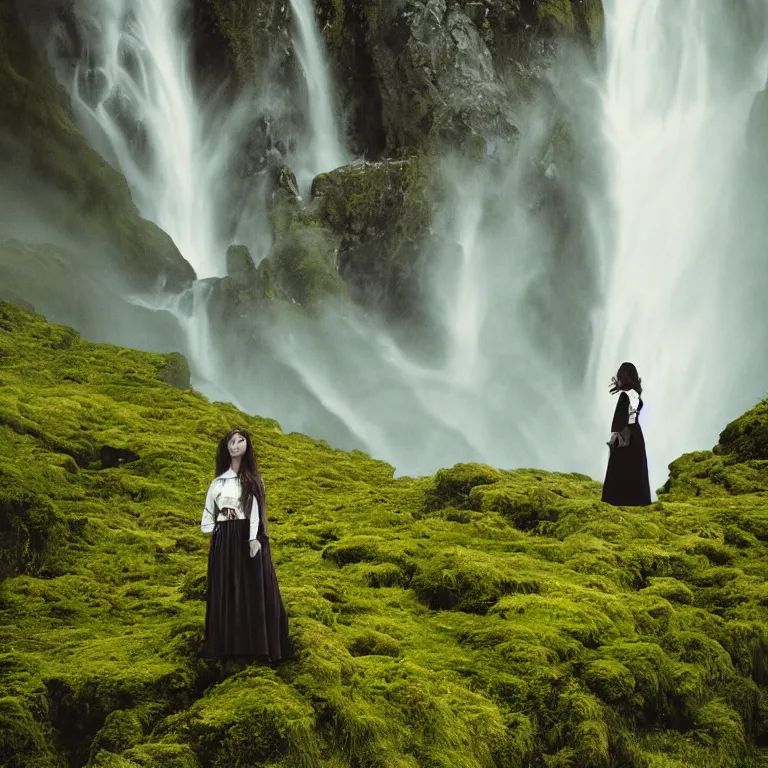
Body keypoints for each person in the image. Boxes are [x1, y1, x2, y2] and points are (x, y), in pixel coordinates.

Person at [200, 428, 290, 662]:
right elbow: (207, 515)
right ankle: (227, 645)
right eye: (232, 441)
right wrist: (218, 530)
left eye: (241, 441)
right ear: (226, 447)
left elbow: (256, 514)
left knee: (249, 588)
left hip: (246, 537)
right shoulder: (218, 482)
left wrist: (252, 539)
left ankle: (255, 646)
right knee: (228, 587)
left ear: (247, 446)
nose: (236, 445)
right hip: (224, 539)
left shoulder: (254, 481)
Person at [601, 362, 652, 506]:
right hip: (636, 432)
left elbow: (619, 418)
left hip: (625, 433)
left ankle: (617, 499)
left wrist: (614, 437)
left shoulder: (624, 396)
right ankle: (638, 500)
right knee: (636, 467)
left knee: (619, 466)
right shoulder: (636, 394)